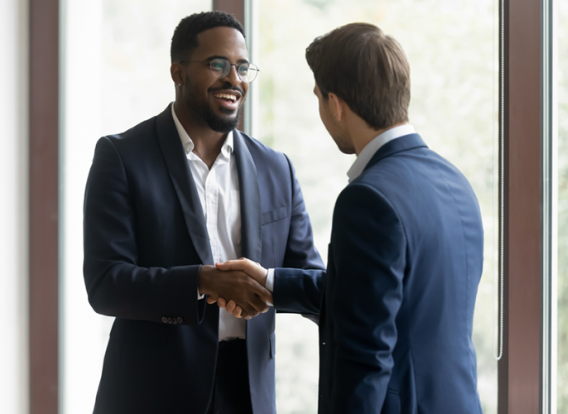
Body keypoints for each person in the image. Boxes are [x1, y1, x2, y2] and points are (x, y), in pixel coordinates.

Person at [217, 22, 484, 414]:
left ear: (336, 104)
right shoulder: (455, 181)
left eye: (319, 99)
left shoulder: (368, 198)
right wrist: (272, 282)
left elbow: (366, 357)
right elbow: (385, 297)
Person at [83, 11, 324, 414]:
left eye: (243, 67)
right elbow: (106, 283)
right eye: (218, 65)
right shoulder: (122, 157)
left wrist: (269, 283)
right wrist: (202, 281)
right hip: (151, 392)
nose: (234, 79)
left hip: (248, 392)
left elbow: (312, 281)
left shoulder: (276, 168)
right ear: (178, 72)